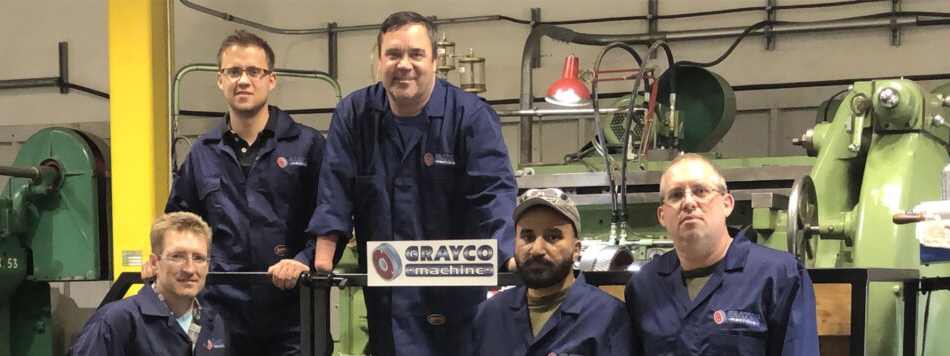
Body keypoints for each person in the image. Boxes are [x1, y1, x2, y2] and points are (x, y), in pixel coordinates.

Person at [307, 11, 518, 356]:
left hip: (456, 301)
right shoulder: (354, 114)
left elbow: (494, 192)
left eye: (416, 54)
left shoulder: (470, 117)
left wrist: (510, 255)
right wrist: (323, 259)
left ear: (435, 60)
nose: (404, 64)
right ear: (379, 60)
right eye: (393, 54)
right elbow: (335, 192)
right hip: (387, 301)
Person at [164, 29, 325, 355]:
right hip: (221, 312)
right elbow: (180, 224)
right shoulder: (202, 154)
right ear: (220, 80)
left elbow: (330, 215)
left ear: (271, 79)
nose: (244, 80)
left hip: (293, 311)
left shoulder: (308, 146)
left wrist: (304, 260)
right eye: (234, 71)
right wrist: (162, 259)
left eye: (254, 71)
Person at [624, 153, 819, 355]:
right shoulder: (644, 287)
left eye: (700, 191)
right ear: (662, 216)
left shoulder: (778, 276)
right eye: (676, 195)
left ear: (727, 204)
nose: (688, 202)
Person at [472, 188, 639, 356]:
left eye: (553, 237)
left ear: (576, 250)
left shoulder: (608, 316)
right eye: (528, 237)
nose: (537, 249)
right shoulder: (489, 315)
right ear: (515, 243)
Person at [72, 212, 227, 355]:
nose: (189, 268)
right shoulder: (118, 321)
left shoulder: (213, 324)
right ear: (154, 263)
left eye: (198, 258)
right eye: (177, 256)